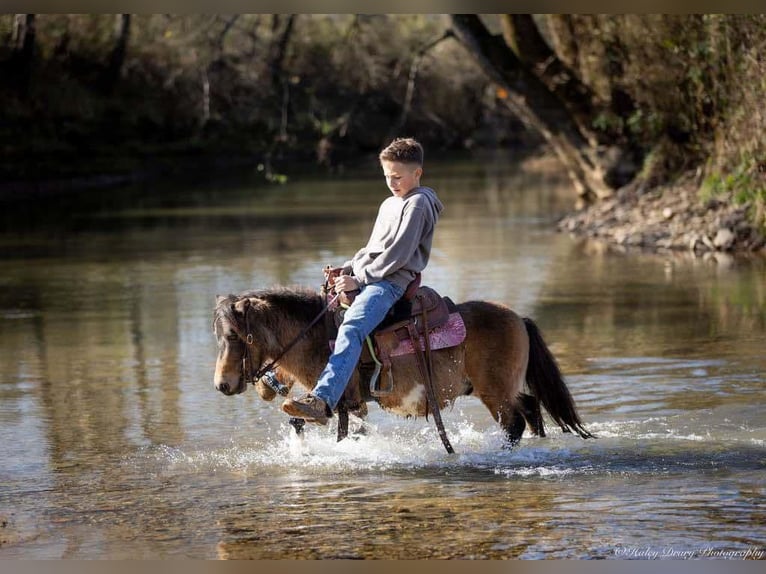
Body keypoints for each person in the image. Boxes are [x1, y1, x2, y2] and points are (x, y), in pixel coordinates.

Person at [281, 137, 444, 424]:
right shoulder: (390, 203)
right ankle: (281, 379)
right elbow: (371, 249)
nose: (392, 182)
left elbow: (398, 255)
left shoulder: (417, 204)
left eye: (397, 176)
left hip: (390, 283)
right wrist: (347, 268)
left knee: (353, 327)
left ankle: (322, 400)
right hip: (370, 275)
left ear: (417, 173)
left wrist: (358, 280)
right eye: (386, 176)